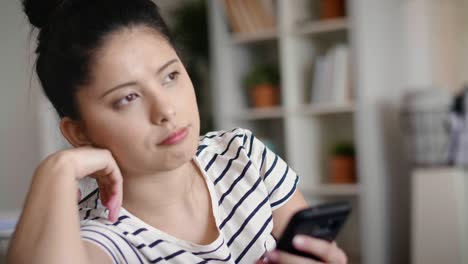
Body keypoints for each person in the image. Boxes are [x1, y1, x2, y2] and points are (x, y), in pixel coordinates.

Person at [7, 0, 348, 263]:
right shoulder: (101, 238)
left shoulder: (243, 156)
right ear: (79, 132)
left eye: (170, 76)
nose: (166, 110)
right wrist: (57, 169)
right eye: (127, 98)